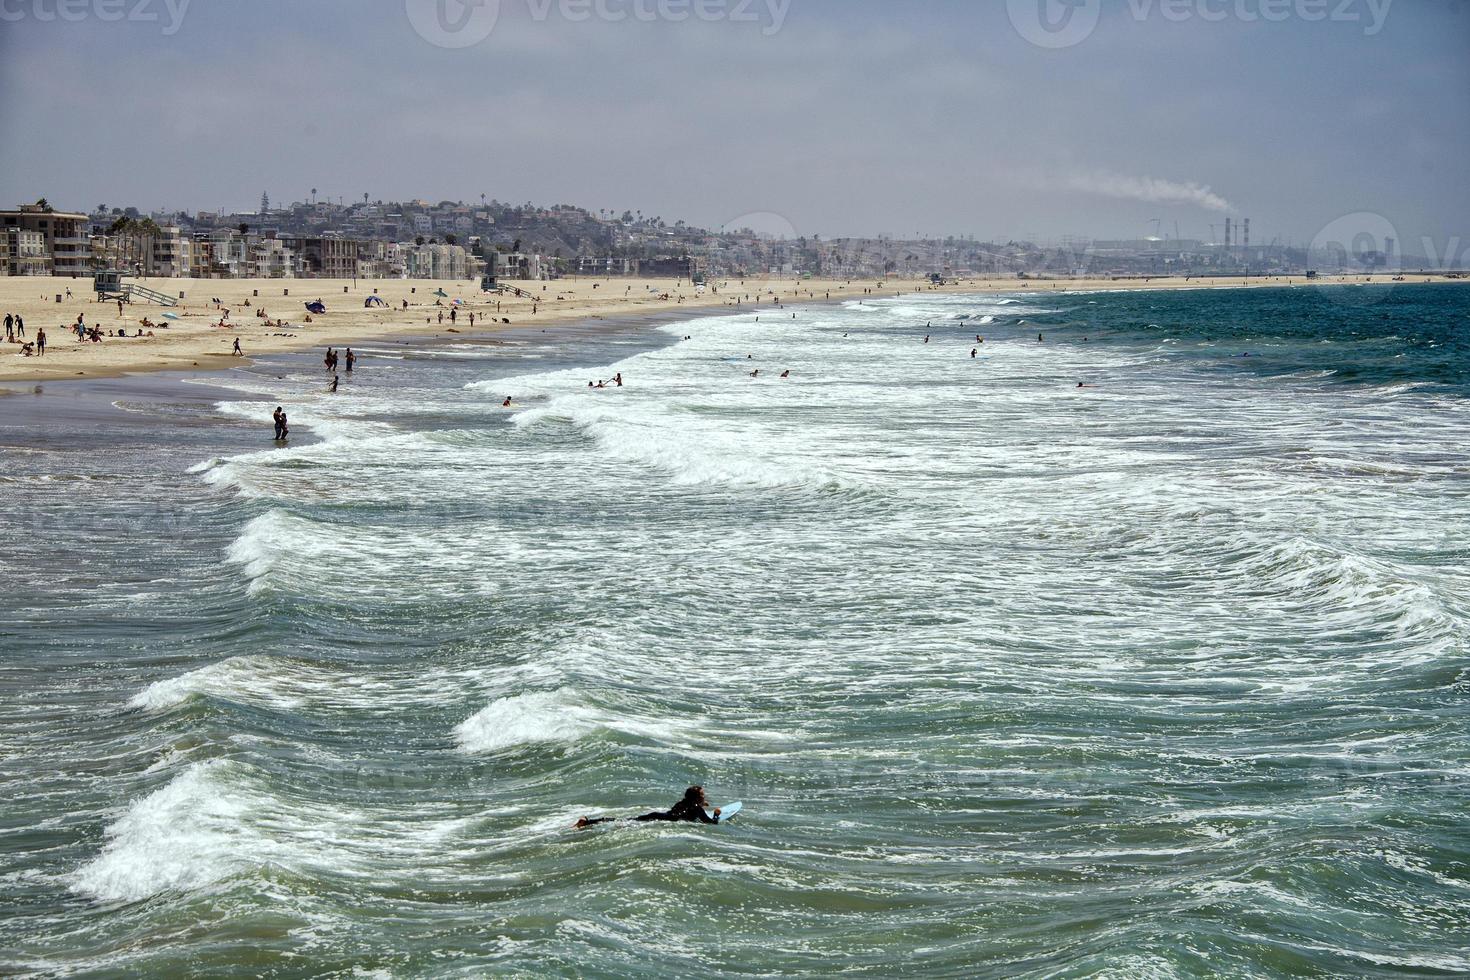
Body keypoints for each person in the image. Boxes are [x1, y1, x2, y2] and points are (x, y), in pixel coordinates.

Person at [575, 786, 722, 829]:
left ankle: (587, 821)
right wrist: (716, 814)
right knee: (624, 823)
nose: (704, 796)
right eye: (702, 795)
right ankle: (586, 823)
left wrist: (700, 804)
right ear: (697, 798)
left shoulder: (682, 802)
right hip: (662, 820)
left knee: (625, 820)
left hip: (657, 815)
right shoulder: (696, 808)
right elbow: (710, 823)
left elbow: (687, 808)